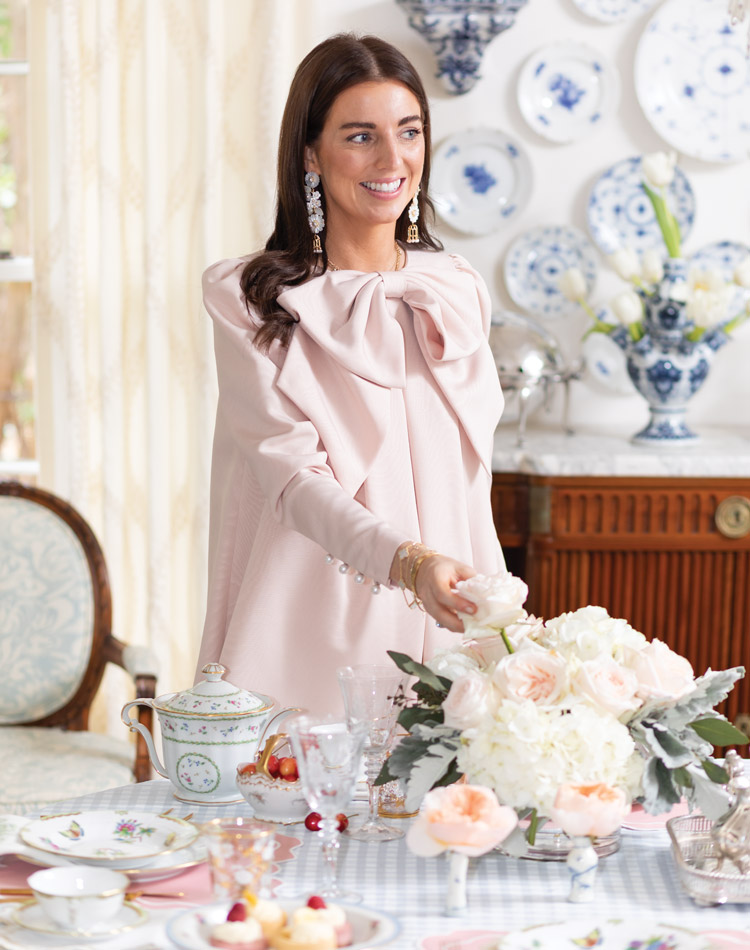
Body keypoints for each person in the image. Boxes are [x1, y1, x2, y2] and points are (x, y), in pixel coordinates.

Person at [196, 33, 505, 711]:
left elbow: (468, 481)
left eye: (409, 132)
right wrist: (409, 565)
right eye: (360, 136)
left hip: (453, 619)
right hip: (317, 624)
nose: (393, 160)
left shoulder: (452, 288)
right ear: (311, 153)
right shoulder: (253, 299)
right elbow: (294, 481)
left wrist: (478, 597)